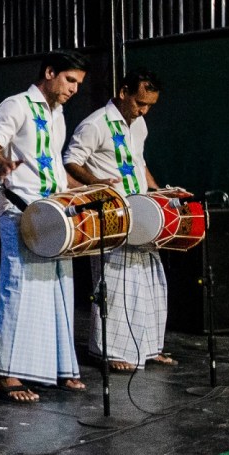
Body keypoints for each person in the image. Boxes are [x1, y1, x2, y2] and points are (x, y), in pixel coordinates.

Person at [0, 50, 89, 403]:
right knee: (19, 288)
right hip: (20, 210)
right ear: (50, 72)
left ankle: (58, 367)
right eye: (70, 80)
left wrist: (89, 188)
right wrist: (0, 164)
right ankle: (6, 373)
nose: (74, 89)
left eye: (78, 84)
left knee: (58, 289)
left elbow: (54, 167)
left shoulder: (58, 114)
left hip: (52, 212)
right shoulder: (16, 105)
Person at [64, 69, 174, 371]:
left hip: (141, 211)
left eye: (149, 105)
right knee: (115, 281)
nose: (144, 111)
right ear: (124, 92)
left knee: (148, 280)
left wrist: (157, 192)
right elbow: (71, 160)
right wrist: (96, 183)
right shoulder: (96, 123)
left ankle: (149, 347)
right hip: (112, 212)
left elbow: (139, 162)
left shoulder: (139, 124)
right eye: (140, 103)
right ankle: (109, 351)